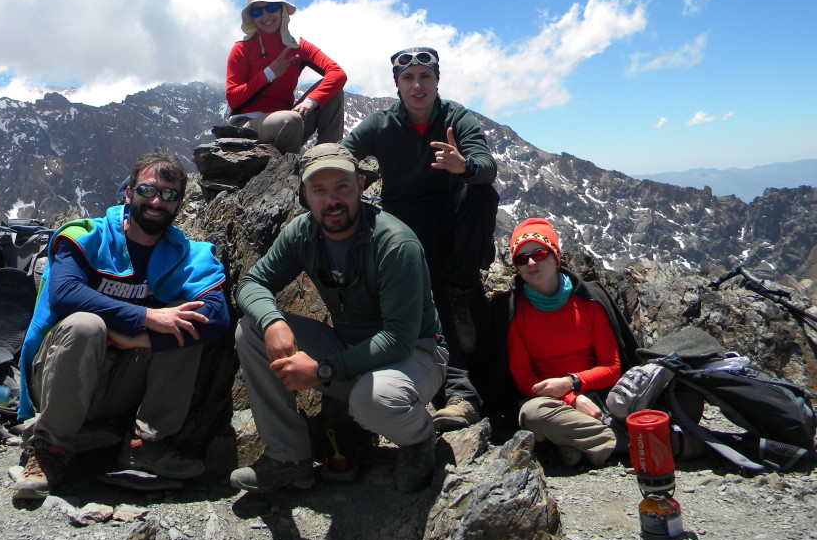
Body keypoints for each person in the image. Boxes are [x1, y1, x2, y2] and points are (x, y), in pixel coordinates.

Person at [230, 143, 448, 493]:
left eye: (342, 187)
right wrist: (273, 321)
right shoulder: (303, 233)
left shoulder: (394, 243)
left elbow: (398, 339)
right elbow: (252, 283)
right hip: (349, 348)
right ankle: (288, 459)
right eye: (319, 190)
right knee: (251, 330)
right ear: (305, 194)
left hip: (414, 355)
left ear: (360, 185)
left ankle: (420, 439)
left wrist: (320, 371)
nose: (332, 200)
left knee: (372, 400)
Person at [12, 149, 228, 499]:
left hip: (122, 383)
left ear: (179, 203)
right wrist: (146, 317)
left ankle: (145, 444)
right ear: (128, 193)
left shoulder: (190, 255)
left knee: (185, 319)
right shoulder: (86, 237)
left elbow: (215, 317)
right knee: (85, 325)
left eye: (169, 195)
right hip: (58, 377)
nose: (157, 201)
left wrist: (140, 340)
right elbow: (64, 294)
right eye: (147, 191)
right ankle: (48, 450)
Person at [341, 47, 498, 432]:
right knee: (430, 290)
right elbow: (343, 152)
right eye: (408, 78)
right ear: (397, 84)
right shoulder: (381, 123)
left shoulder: (455, 116)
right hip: (406, 224)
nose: (417, 85)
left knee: (483, 193)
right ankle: (463, 394)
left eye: (425, 77)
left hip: (451, 215)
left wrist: (464, 166)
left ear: (437, 81)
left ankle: (461, 279)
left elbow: (488, 168)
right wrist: (353, 173)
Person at [504, 217, 634, 467]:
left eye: (539, 254)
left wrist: (571, 382)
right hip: (551, 402)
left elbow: (612, 367)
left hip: (597, 392)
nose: (531, 263)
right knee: (532, 413)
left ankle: (576, 444)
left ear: (555, 256)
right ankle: (625, 442)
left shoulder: (589, 301)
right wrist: (571, 398)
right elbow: (524, 381)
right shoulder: (513, 312)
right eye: (522, 259)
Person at [225, 0, 347, 153]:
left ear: (282, 10)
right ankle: (284, 172)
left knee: (333, 93)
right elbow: (233, 98)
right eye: (257, 11)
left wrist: (311, 101)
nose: (265, 15)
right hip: (248, 125)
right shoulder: (242, 49)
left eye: (271, 7)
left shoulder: (297, 46)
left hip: (288, 120)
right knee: (291, 120)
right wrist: (268, 74)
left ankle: (327, 158)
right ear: (251, 17)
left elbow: (337, 73)